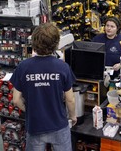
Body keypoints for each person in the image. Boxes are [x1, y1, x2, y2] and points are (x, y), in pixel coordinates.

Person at [10, 22, 77, 151]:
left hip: (35, 125)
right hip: (59, 125)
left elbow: (16, 99)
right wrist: (73, 116)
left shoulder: (23, 67)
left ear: (34, 43)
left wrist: (29, 110)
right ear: (56, 43)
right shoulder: (62, 67)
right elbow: (70, 99)